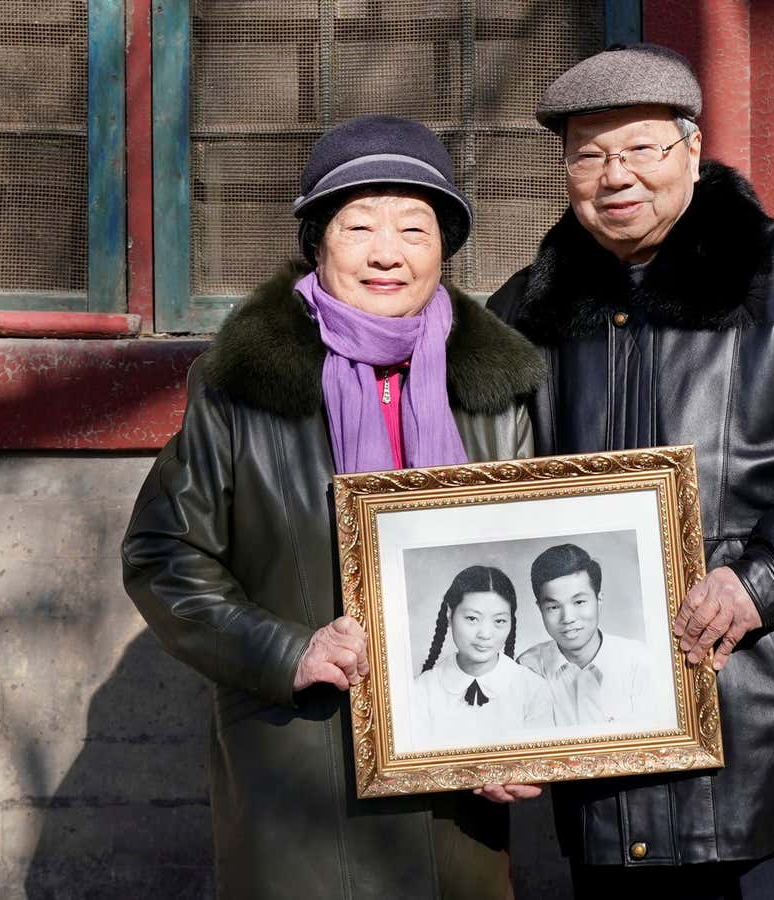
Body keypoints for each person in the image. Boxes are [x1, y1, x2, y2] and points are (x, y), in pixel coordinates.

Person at [488, 45, 774, 899]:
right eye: (588, 153)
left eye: (642, 147)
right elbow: (491, 501)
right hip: (603, 737)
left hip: (757, 713)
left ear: (693, 150)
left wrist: (759, 578)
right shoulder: (527, 312)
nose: (615, 175)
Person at [122, 115, 546, 900]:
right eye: (360, 225)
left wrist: (524, 730)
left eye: (415, 227)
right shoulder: (242, 383)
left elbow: (521, 565)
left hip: (457, 777)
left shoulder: (495, 391)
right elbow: (165, 557)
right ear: (319, 240)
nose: (388, 251)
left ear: (444, 248)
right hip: (302, 773)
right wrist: (289, 651)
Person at [516, 543, 664, 728]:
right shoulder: (529, 668)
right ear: (540, 609)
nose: (568, 618)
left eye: (579, 602)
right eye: (553, 607)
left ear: (598, 599)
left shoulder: (638, 661)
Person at [410, 565, 554, 746]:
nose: (485, 634)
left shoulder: (533, 689)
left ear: (511, 622)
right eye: (472, 619)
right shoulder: (421, 691)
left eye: (499, 621)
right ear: (449, 615)